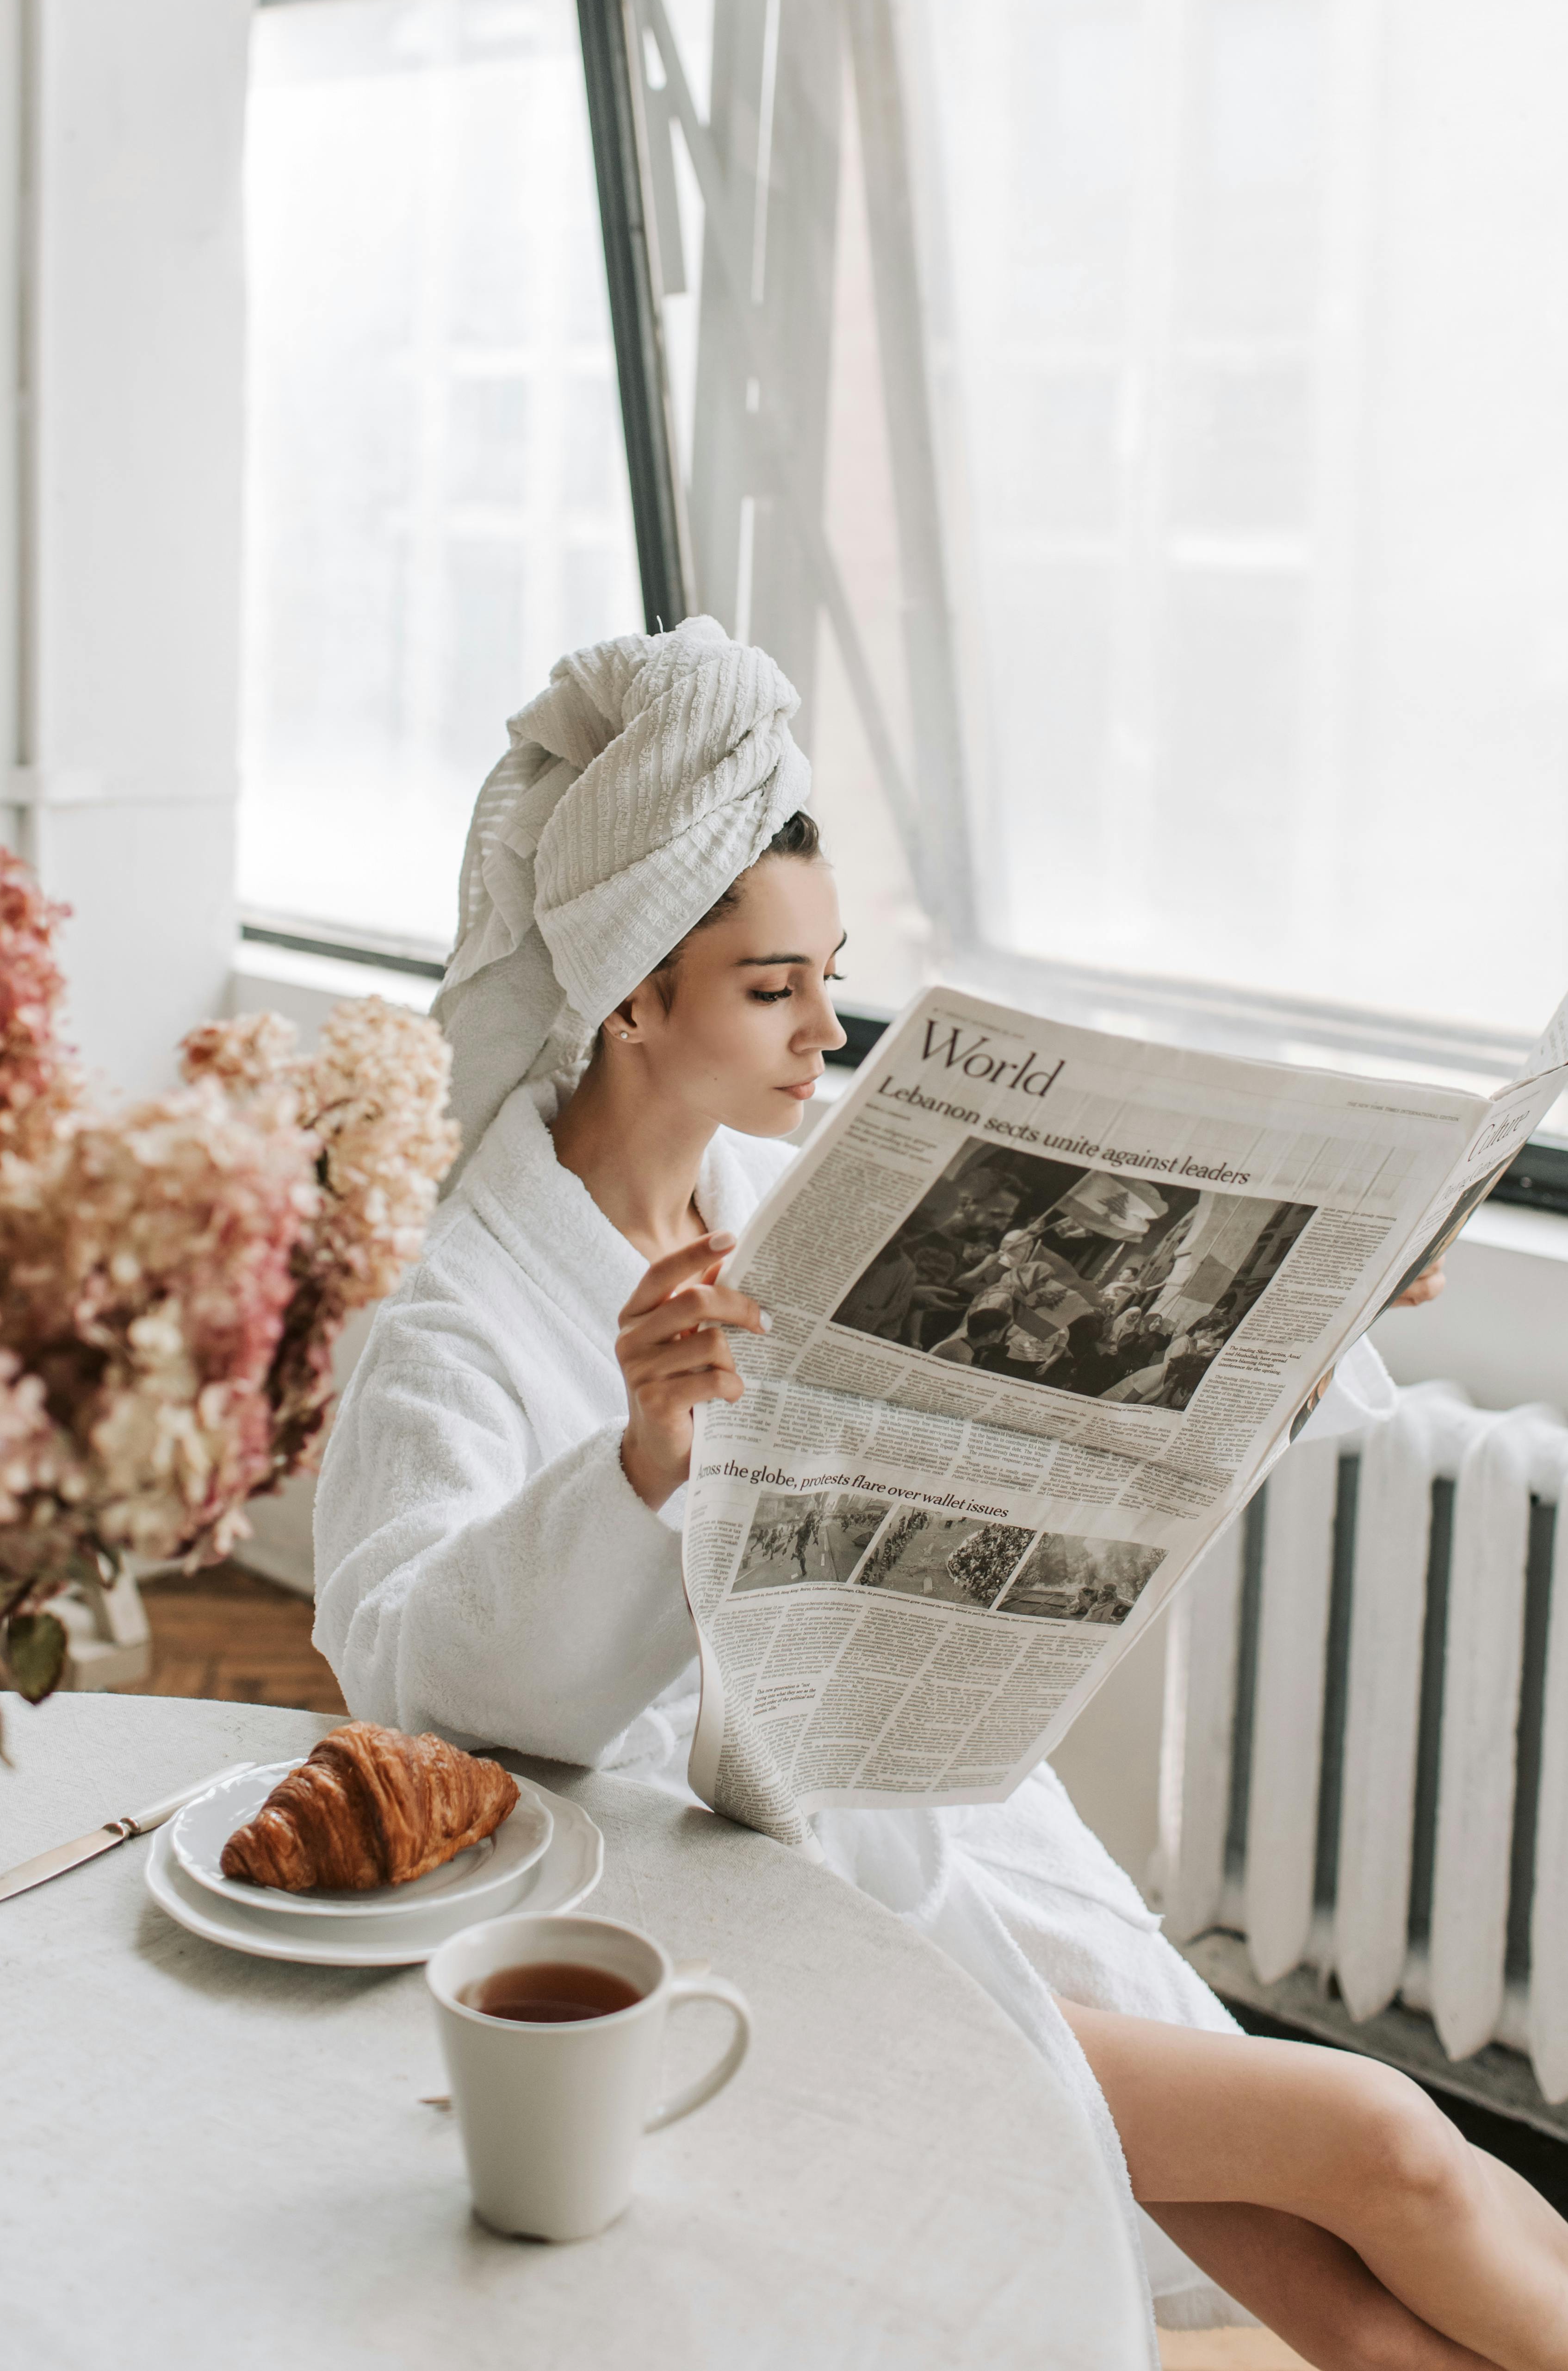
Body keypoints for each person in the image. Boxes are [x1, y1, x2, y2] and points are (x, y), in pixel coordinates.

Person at [312, 617, 1551, 2365]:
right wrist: (639, 1464)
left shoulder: (795, 1203)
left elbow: (1052, 1426)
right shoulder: (455, 1320)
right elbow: (407, 1677)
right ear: (632, 997)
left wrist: (1306, 1301)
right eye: (772, 989)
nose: (829, 1028)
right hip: (734, 1923)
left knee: (1332, 2298)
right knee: (1390, 2148)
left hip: (940, 1840)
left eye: (830, 974)